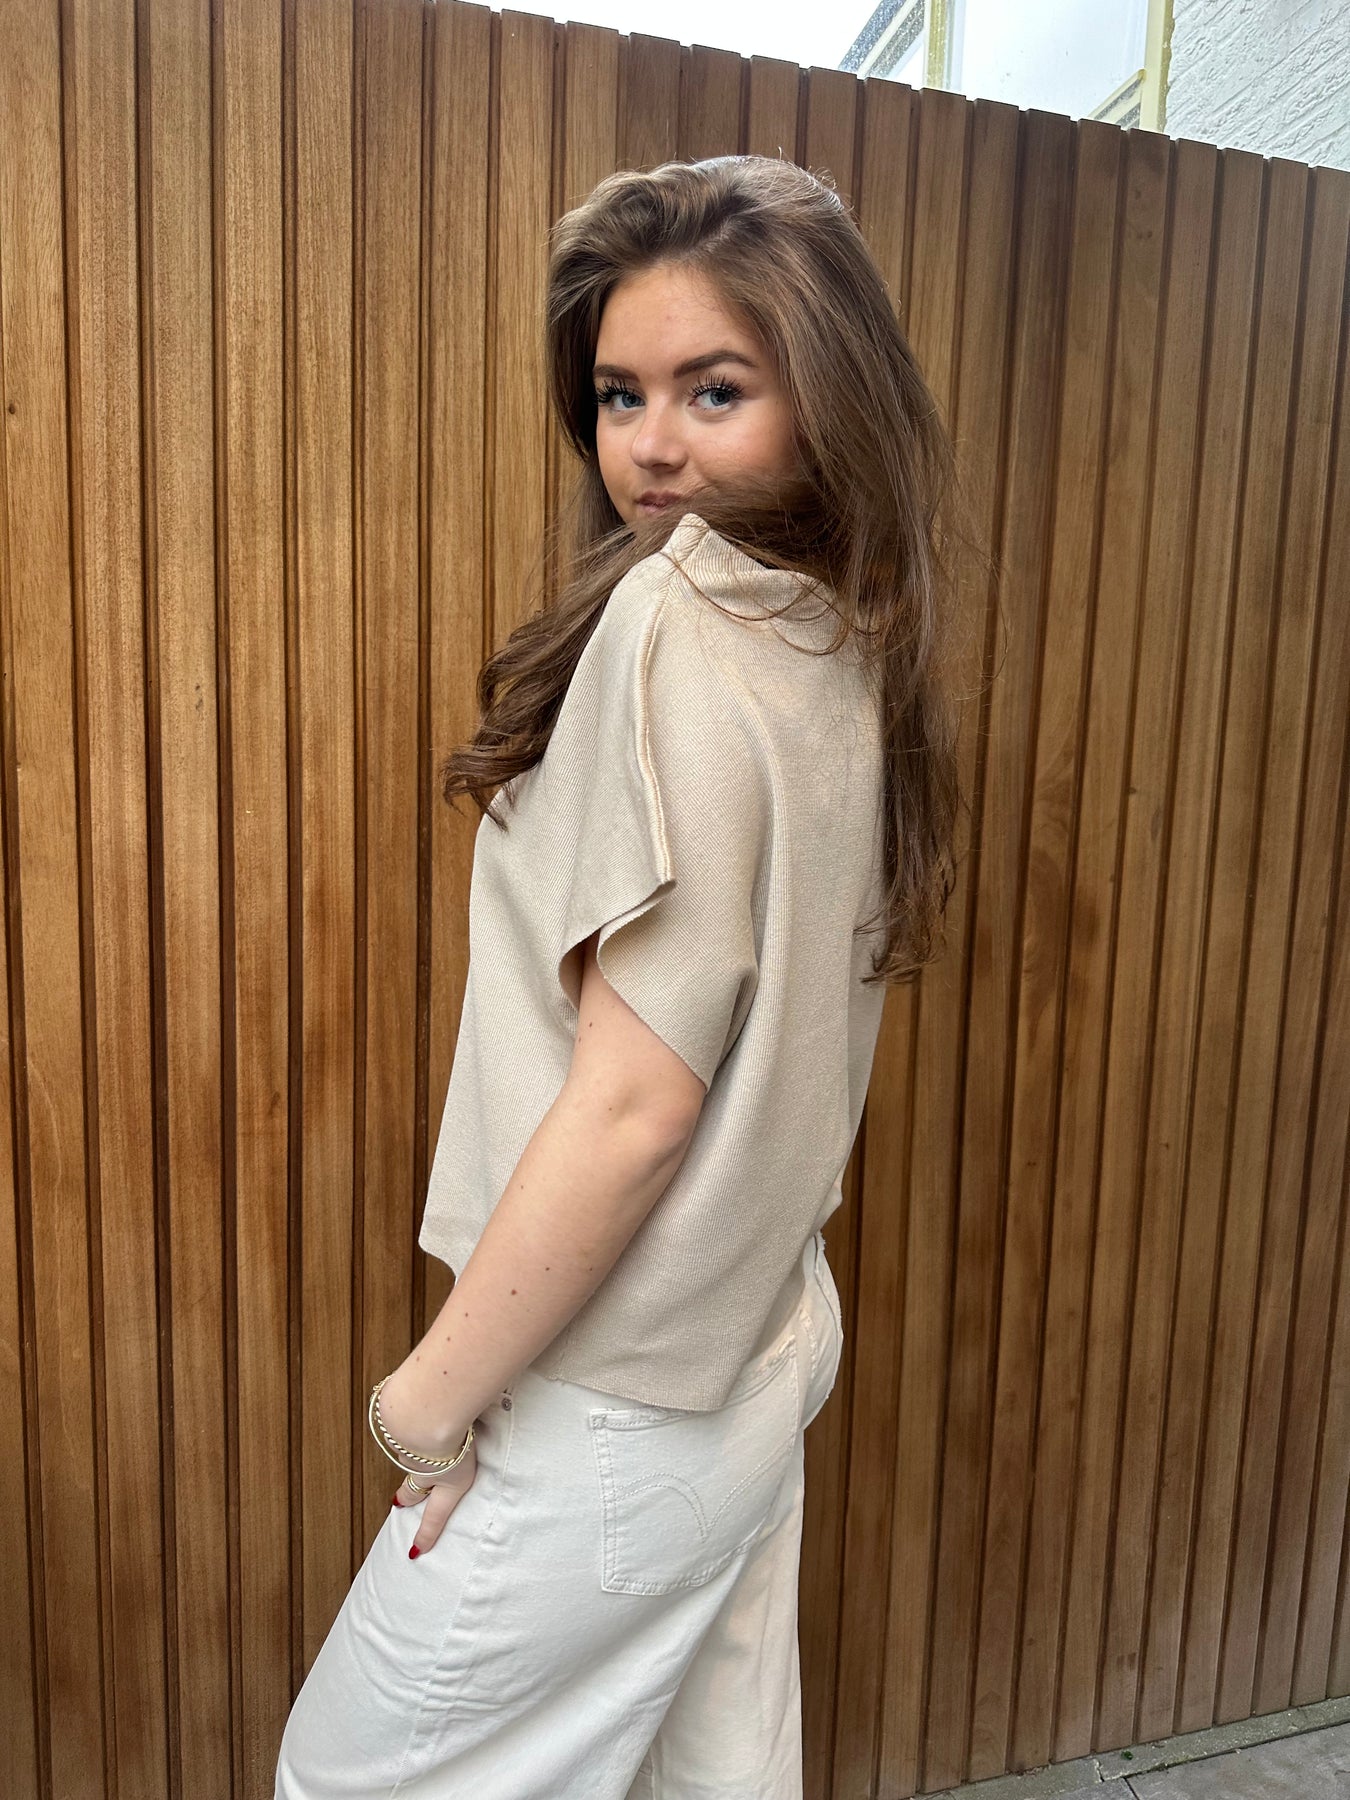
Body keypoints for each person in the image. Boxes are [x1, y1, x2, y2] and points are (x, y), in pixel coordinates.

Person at [275, 152, 973, 1800]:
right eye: (617, 395)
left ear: (825, 393)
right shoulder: (833, 638)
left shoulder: (676, 621)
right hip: (757, 1339)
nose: (651, 446)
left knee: (347, 1779)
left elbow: (636, 1105)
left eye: (713, 390)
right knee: (708, 1775)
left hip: (608, 1385)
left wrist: (425, 1407)